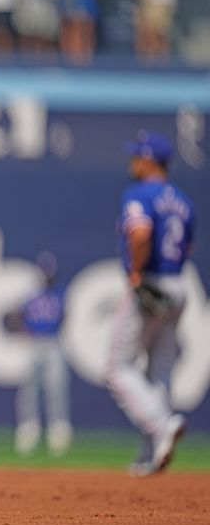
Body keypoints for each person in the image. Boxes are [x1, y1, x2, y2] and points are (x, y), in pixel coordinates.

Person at [105, 130, 195, 477]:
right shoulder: (184, 201)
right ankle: (150, 451)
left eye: (136, 156)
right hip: (177, 284)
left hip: (150, 282)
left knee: (116, 368)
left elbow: (139, 233)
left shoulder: (140, 193)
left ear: (149, 160)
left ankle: (161, 426)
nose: (132, 162)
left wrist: (136, 275)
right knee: (159, 370)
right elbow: (187, 249)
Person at [6, 251, 73, 457]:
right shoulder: (32, 296)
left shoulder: (59, 294)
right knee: (29, 390)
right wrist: (25, 331)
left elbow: (65, 316)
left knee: (56, 388)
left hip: (52, 343)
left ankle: (58, 431)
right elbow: (15, 316)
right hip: (34, 343)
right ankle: (28, 431)